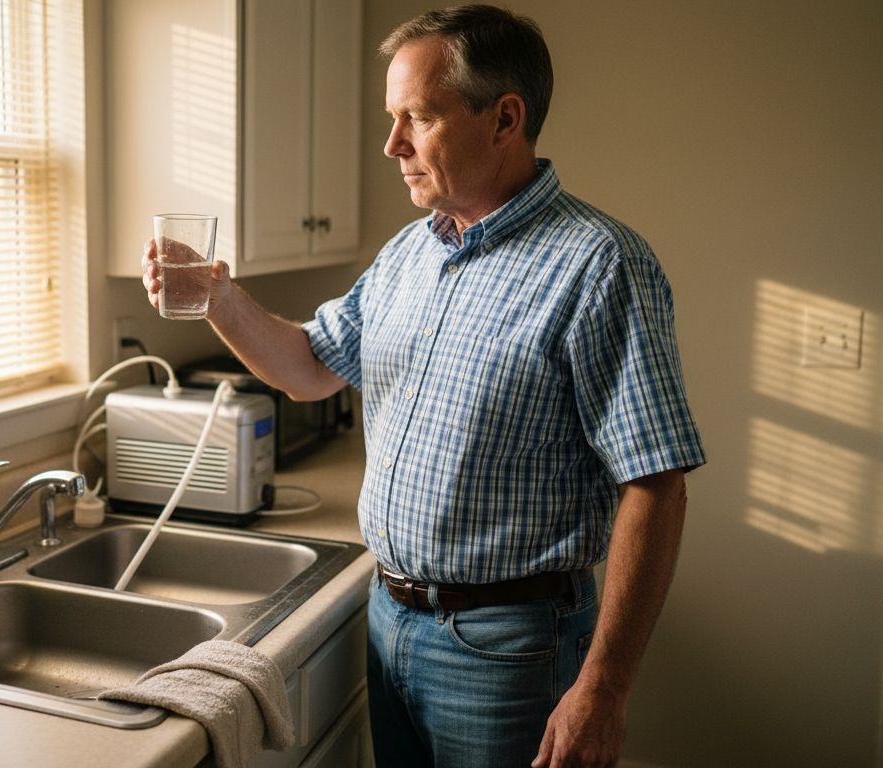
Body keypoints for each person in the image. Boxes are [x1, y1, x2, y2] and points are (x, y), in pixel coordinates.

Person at [141, 5, 705, 766]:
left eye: (417, 117)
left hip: (508, 647)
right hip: (389, 617)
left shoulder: (599, 264)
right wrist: (215, 295)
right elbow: (309, 367)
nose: (391, 144)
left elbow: (656, 485)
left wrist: (604, 685)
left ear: (504, 118)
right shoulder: (412, 251)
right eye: (391, 117)